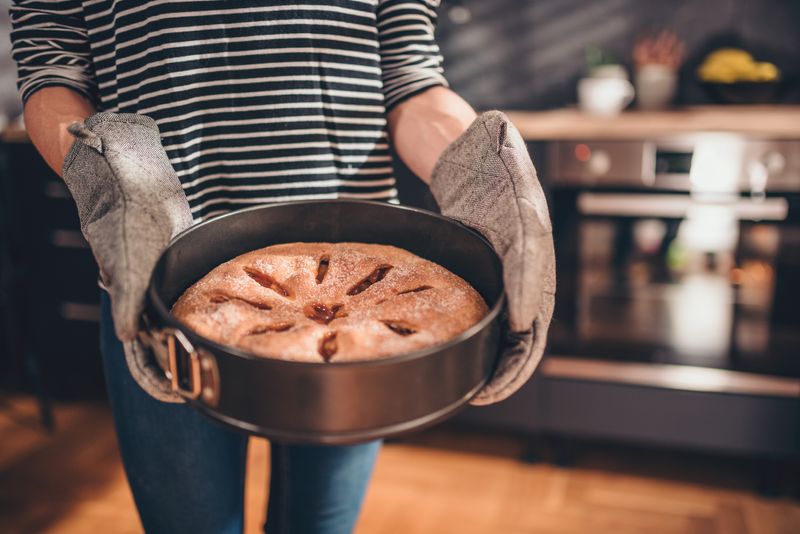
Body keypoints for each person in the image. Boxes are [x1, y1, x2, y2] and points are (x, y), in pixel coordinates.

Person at [10, 1, 555, 533]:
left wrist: (483, 177)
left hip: (366, 291)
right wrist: (110, 180)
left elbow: (411, 80)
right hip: (154, 270)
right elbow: (53, 73)